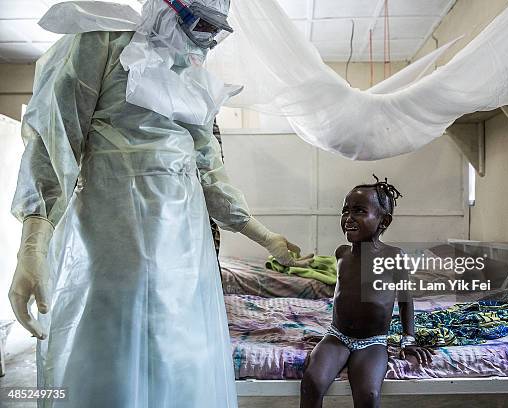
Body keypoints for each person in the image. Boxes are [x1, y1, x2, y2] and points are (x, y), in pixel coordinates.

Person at [8, 1, 311, 407]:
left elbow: (208, 174)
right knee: (113, 352)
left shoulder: (193, 77)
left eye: (212, 28)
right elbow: (54, 140)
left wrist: (265, 236)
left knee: (175, 352)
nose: (203, 35)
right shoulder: (102, 40)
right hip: (113, 240)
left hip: (184, 255)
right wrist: (33, 246)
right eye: (198, 21)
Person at [300, 176, 435, 408]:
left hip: (372, 342)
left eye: (359, 211)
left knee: (368, 396)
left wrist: (408, 340)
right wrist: (326, 337)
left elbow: (405, 301)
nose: (348, 218)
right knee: (311, 382)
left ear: (384, 221)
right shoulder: (342, 254)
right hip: (337, 337)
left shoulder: (394, 256)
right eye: (345, 211)